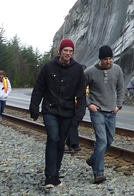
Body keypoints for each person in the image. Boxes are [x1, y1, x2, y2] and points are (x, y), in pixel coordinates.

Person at [30, 38, 87, 189]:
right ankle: (49, 176)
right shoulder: (48, 68)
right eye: (65, 50)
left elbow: (81, 93)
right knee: (53, 139)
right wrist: (34, 107)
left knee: (61, 142)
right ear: (60, 51)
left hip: (68, 111)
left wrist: (80, 113)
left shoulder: (77, 70)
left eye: (70, 51)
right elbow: (39, 88)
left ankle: (55, 173)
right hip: (50, 109)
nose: (68, 53)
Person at [84, 45, 125, 184]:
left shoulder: (117, 69)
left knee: (109, 141)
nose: (109, 61)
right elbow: (80, 89)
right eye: (106, 59)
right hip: (97, 111)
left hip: (112, 111)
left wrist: (119, 105)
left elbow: (120, 87)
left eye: (110, 58)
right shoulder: (90, 72)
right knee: (101, 141)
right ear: (100, 59)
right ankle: (98, 172)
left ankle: (93, 159)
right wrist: (89, 104)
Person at [64, 64, 87, 154]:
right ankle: (74, 144)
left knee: (73, 125)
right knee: (72, 125)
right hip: (70, 106)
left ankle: (69, 143)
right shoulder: (70, 80)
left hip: (79, 105)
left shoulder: (84, 81)